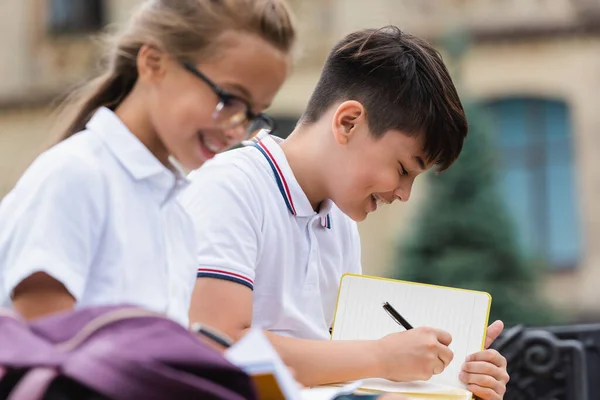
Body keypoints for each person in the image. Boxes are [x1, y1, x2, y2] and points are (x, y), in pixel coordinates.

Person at [181, 26, 510, 399]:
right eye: (403, 169)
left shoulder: (338, 223)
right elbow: (216, 349)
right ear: (348, 122)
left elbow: (340, 369)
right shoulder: (231, 187)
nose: (403, 194)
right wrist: (380, 357)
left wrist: (453, 375)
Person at [0, 0, 296, 327]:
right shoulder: (75, 176)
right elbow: (44, 354)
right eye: (229, 100)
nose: (238, 129)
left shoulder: (175, 213)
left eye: (253, 114)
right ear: (154, 63)